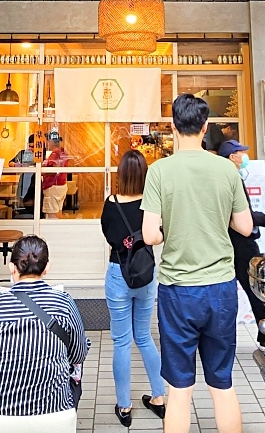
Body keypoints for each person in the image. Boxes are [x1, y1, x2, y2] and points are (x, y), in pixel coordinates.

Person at [141, 94, 253, 433]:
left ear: (174, 126)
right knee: (222, 384)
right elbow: (245, 227)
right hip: (220, 288)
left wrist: (169, 231)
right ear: (205, 128)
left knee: (179, 391)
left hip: (177, 291)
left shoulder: (159, 171)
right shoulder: (227, 169)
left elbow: (149, 236)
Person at [0, 236, 89, 416]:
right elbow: (78, 354)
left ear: (12, 267)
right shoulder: (63, 303)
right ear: (47, 267)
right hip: (51, 411)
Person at [100, 150, 166, 426]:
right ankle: (159, 397)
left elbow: (108, 235)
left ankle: (125, 407)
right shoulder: (151, 204)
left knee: (121, 341)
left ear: (121, 174)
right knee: (145, 337)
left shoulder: (111, 203)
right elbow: (157, 235)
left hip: (119, 274)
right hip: (146, 275)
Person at [216, 140, 265, 347]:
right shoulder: (233, 179)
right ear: (232, 156)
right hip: (242, 243)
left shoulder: (220, 177)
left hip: (225, 241)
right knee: (254, 289)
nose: (244, 156)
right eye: (241, 152)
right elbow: (244, 215)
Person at [40, 134, 69, 219]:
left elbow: (55, 169)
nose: (46, 143)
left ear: (51, 141)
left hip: (53, 186)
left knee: (52, 215)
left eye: (47, 141)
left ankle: (53, 232)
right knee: (58, 212)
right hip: (61, 185)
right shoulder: (62, 151)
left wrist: (43, 172)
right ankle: (58, 231)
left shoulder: (55, 152)